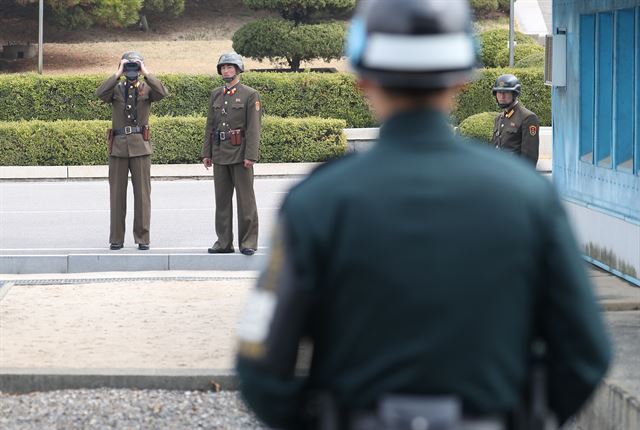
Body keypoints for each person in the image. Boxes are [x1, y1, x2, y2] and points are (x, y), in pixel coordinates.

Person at [235, 1, 611, 429]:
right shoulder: (527, 197)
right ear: (463, 78)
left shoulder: (317, 201)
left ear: (362, 78)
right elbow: (586, 354)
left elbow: (260, 362)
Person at [96, 51, 168, 251]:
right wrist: (117, 72)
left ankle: (143, 238)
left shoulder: (147, 88)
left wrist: (146, 71)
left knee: (142, 196)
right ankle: (116, 238)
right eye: (128, 66)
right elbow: (100, 93)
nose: (131, 70)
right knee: (117, 195)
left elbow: (162, 92)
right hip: (118, 147)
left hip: (140, 147)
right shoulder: (116, 89)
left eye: (133, 66)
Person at [201, 52, 262, 256]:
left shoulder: (249, 94)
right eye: (223, 67)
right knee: (222, 201)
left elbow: (254, 128)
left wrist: (250, 155)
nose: (226, 70)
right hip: (219, 153)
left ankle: (248, 242)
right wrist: (207, 152)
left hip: (240, 153)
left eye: (230, 67)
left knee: (246, 201)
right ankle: (224, 242)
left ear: (238, 69)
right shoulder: (216, 94)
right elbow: (210, 125)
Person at [492, 74, 540, 166]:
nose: (502, 96)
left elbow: (529, 157)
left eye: (505, 92)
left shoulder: (528, 117)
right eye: (499, 92)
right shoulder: (499, 118)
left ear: (514, 94)